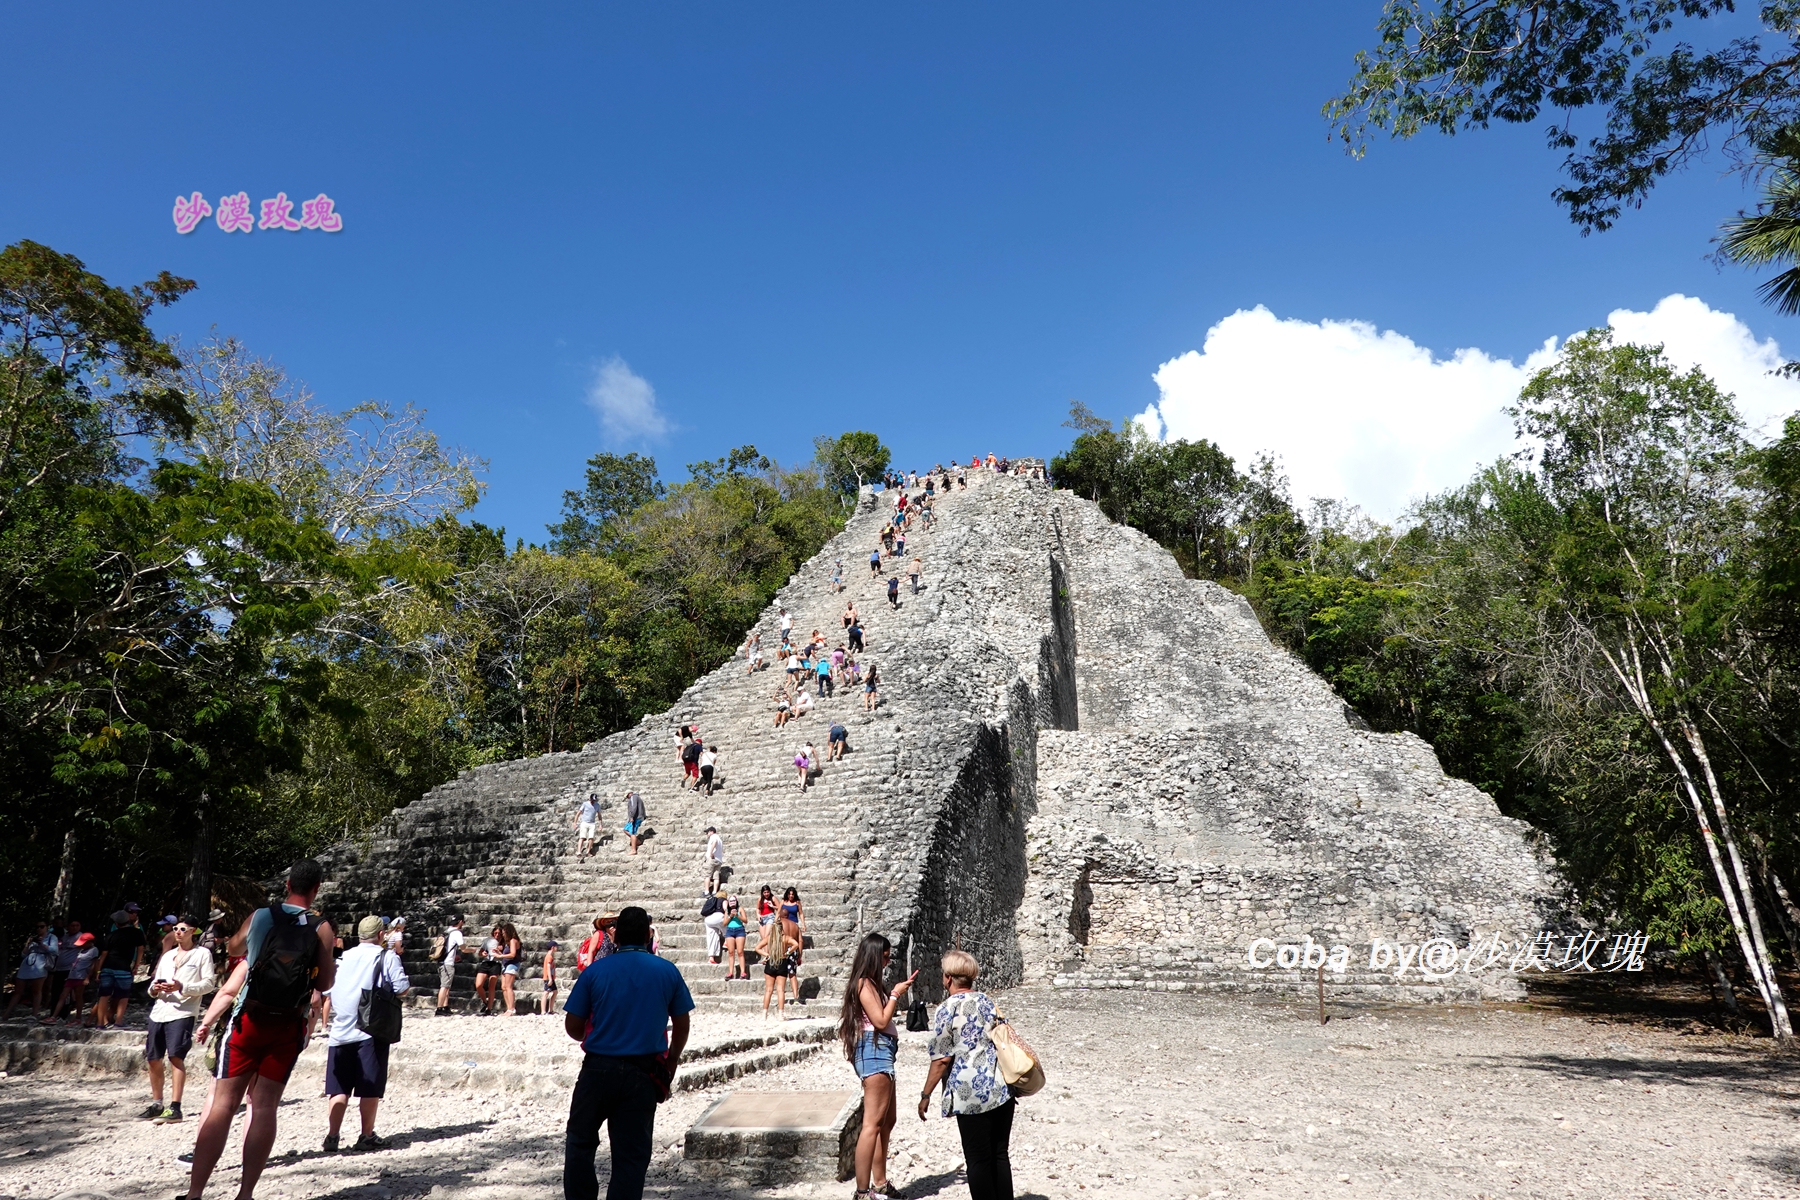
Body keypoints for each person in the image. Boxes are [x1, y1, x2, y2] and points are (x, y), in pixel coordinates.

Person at [184, 859, 337, 1200]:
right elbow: (325, 982)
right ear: (316, 889)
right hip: (286, 1026)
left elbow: (234, 948)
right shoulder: (321, 926)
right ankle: (246, 1194)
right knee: (265, 1105)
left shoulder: (261, 916)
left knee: (223, 1104)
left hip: (247, 1020)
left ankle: (195, 1193)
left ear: (287, 885)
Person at [562, 905, 693, 1200]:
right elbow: (682, 1023)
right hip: (643, 1073)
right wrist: (671, 1060)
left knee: (580, 1141)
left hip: (597, 1068)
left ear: (616, 935)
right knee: (631, 1155)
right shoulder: (666, 970)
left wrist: (592, 1033)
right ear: (648, 935)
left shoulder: (596, 970)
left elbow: (572, 1026)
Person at [918, 950, 1014, 1200]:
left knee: (978, 1160)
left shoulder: (946, 1009)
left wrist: (925, 1094)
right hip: (1000, 1088)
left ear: (948, 978)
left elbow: (941, 1060)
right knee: (999, 1155)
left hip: (969, 1093)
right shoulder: (988, 1002)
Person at [320, 914, 410, 1152]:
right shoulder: (386, 956)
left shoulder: (342, 957)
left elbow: (328, 988)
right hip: (370, 1029)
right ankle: (366, 1134)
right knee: (369, 1086)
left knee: (338, 1088)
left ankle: (332, 1136)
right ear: (381, 935)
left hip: (340, 1029)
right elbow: (401, 988)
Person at [840, 934, 917, 1200]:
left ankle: (880, 1182)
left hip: (882, 1052)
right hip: (875, 1053)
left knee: (887, 1121)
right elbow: (881, 1020)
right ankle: (863, 1191)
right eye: (885, 955)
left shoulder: (871, 984)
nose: (888, 959)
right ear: (874, 955)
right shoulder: (864, 985)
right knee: (872, 1124)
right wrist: (896, 994)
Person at [142, 917, 215, 1124]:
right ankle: (157, 1103)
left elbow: (209, 984)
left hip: (183, 1012)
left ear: (193, 931)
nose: (178, 932)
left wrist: (183, 987)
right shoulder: (167, 956)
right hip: (159, 1011)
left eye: (183, 929)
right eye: (175, 928)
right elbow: (154, 984)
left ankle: (175, 1107)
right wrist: (155, 989)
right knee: (153, 1058)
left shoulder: (202, 954)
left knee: (176, 1056)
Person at [93, 906, 146, 1028]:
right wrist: (136, 965)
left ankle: (100, 1023)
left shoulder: (111, 935)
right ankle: (119, 1021)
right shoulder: (137, 933)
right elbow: (140, 949)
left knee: (104, 995)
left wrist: (98, 971)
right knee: (123, 995)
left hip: (107, 967)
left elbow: (104, 955)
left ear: (116, 923)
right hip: (123, 968)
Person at [7, 920, 56, 1020]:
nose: (39, 929)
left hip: (41, 964)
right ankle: (6, 1014)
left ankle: (34, 1014)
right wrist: (28, 944)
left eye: (41, 926)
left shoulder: (52, 937)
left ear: (46, 927)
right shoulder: (32, 938)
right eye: (37, 927)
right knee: (18, 991)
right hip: (27, 963)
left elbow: (55, 951)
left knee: (36, 990)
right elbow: (23, 954)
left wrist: (42, 944)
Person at [47, 931, 98, 1025]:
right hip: (72, 976)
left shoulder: (94, 950)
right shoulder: (81, 951)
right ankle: (53, 1017)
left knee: (79, 997)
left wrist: (88, 977)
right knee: (63, 995)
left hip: (81, 977)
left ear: (89, 942)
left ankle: (78, 1018)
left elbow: (93, 965)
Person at [761, 926, 800, 1020]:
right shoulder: (786, 938)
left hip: (771, 962)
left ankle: (764, 1014)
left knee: (768, 990)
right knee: (780, 990)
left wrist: (767, 955)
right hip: (782, 962)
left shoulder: (769, 938)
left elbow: (757, 948)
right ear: (781, 929)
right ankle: (780, 1014)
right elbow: (796, 944)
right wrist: (788, 953)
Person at [434, 915, 465, 1016]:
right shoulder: (457, 933)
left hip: (441, 961)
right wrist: (473, 950)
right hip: (448, 963)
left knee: (447, 986)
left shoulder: (446, 931)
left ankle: (445, 1006)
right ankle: (439, 1008)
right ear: (460, 922)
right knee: (444, 986)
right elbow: (463, 948)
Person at [46, 918, 79, 1011]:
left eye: (77, 925)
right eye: (72, 925)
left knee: (66, 991)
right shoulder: (63, 937)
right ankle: (54, 1010)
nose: (75, 927)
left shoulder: (81, 937)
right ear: (68, 927)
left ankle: (65, 1011)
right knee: (56, 990)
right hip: (58, 968)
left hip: (70, 968)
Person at [495, 922, 523, 1016]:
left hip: (512, 964)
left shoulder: (513, 940)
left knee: (508, 987)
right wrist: (499, 952)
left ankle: (511, 1008)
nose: (503, 934)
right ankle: (508, 1008)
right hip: (506, 964)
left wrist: (501, 956)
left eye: (504, 933)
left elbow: (512, 954)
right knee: (503, 987)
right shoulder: (508, 942)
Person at [473, 927, 500, 1015]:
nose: (497, 935)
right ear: (493, 933)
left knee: (491, 986)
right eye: (495, 933)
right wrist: (483, 953)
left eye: (499, 933)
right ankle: (485, 1002)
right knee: (478, 985)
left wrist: (499, 952)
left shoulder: (503, 941)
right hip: (486, 963)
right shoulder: (487, 940)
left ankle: (489, 1008)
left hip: (496, 963)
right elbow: (480, 952)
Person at [721, 898, 747, 981]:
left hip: (739, 930)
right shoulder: (727, 911)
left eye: (734, 901)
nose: (732, 902)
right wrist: (730, 916)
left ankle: (743, 972)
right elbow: (724, 923)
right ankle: (731, 972)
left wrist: (737, 915)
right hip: (730, 931)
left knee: (740, 952)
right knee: (731, 952)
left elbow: (745, 920)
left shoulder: (740, 909)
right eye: (731, 901)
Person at [700, 889, 728, 965]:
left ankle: (711, 958)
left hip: (709, 919)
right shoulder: (723, 900)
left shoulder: (712, 900)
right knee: (728, 926)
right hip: (719, 916)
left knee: (712, 937)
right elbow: (726, 909)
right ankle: (726, 942)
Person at [779, 888, 805, 964]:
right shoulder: (783, 901)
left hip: (793, 924)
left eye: (792, 894)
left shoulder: (797, 902)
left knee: (794, 941)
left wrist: (803, 924)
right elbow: (778, 912)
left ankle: (795, 955)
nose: (791, 896)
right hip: (784, 924)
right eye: (789, 894)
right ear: (787, 894)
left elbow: (801, 913)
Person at [576, 793, 602, 859]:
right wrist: (575, 822)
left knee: (591, 837)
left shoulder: (597, 805)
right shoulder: (585, 804)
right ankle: (579, 851)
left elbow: (599, 815)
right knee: (582, 837)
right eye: (592, 800)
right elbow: (578, 813)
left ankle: (588, 851)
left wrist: (600, 824)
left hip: (592, 823)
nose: (593, 801)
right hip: (584, 822)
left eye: (594, 800)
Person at [755, 885, 778, 957]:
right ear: (762, 893)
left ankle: (767, 956)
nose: (766, 894)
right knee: (763, 939)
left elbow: (780, 907)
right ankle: (767, 955)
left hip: (770, 917)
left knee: (766, 936)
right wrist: (758, 915)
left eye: (767, 892)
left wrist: (772, 906)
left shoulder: (773, 898)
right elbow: (758, 909)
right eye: (765, 892)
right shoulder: (760, 899)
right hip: (762, 918)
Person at [538, 940, 560, 1015]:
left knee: (555, 992)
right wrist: (550, 979)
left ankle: (550, 1010)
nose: (557, 948)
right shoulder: (549, 957)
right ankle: (543, 1011)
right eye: (556, 947)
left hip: (550, 978)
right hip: (548, 978)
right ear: (552, 947)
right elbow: (548, 967)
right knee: (546, 993)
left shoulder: (549, 956)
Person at [622, 790, 647, 856]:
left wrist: (632, 817)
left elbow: (634, 807)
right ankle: (637, 841)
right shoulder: (637, 797)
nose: (627, 798)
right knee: (625, 829)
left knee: (632, 832)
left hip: (636, 817)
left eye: (627, 796)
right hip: (638, 817)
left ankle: (633, 850)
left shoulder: (633, 797)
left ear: (629, 794)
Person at [704, 826, 727, 892]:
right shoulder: (720, 839)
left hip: (712, 859)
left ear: (711, 832)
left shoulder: (713, 837)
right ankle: (714, 891)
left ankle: (706, 891)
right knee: (716, 877)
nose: (707, 834)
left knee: (707, 875)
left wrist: (711, 852)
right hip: (718, 860)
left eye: (707, 832)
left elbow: (714, 842)